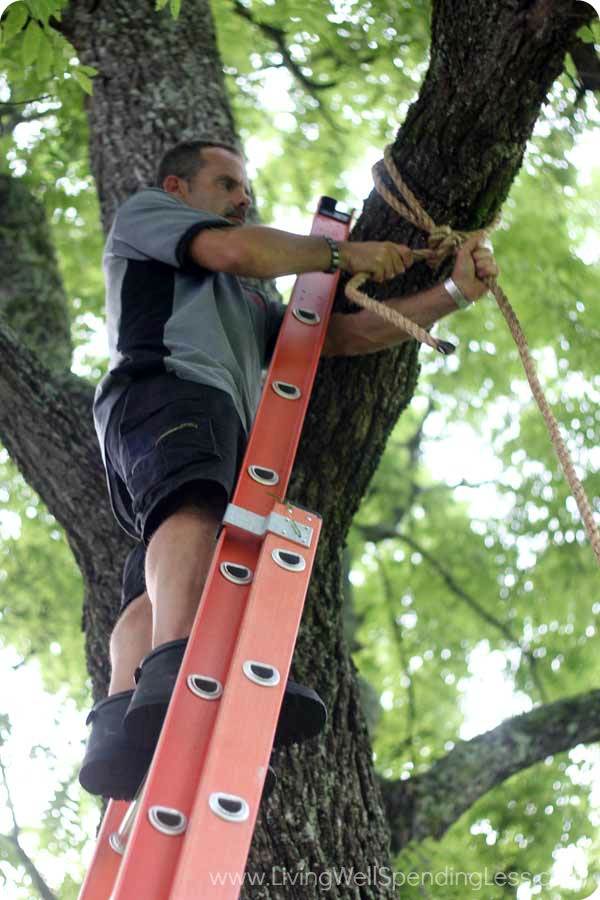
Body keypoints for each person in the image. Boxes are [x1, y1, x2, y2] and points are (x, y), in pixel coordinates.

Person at [79, 139, 498, 801]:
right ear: (178, 188)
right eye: (227, 184)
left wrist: (452, 293)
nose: (244, 199)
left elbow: (339, 336)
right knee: (193, 507)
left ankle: (118, 723)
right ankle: (174, 667)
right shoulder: (151, 215)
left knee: (154, 575)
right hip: (168, 384)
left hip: (175, 420)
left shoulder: (245, 303)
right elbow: (235, 249)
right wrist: (342, 253)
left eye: (245, 189)